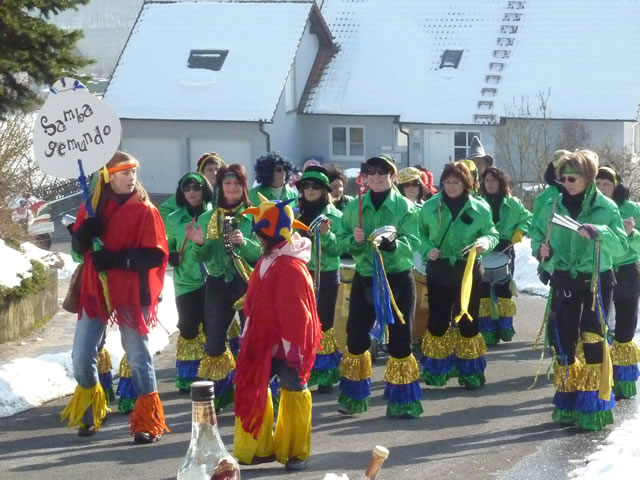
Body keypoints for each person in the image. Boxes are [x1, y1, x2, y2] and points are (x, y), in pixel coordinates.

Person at [61, 151, 169, 444]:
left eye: (133, 172)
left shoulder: (145, 210)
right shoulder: (92, 206)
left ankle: (148, 421)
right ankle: (93, 410)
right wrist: (84, 234)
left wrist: (117, 259)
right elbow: (79, 250)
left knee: (138, 355)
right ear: (109, 177)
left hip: (132, 289)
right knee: (81, 355)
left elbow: (155, 256)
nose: (131, 178)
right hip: (95, 287)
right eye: (124, 173)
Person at [531, 150, 627, 430]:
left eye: (572, 178)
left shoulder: (606, 207)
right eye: (563, 178)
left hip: (596, 279)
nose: (567, 183)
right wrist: (542, 251)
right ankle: (568, 399)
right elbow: (537, 235)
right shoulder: (553, 205)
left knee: (593, 338)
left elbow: (621, 246)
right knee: (563, 339)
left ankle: (593, 407)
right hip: (564, 278)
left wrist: (599, 232)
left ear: (588, 177)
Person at [233, 195, 321, 471]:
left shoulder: (290, 266)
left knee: (293, 390)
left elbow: (298, 316)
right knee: (255, 387)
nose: (257, 238)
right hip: (263, 341)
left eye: (260, 233)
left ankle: (296, 451)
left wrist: (293, 350)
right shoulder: (269, 258)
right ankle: (260, 447)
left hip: (287, 347)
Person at [336, 154, 423, 418]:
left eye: (382, 172)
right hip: (365, 276)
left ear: (392, 176)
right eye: (371, 172)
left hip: (397, 278)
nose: (376, 177)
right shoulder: (355, 207)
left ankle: (402, 402)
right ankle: (354, 398)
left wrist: (395, 245)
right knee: (356, 337)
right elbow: (339, 239)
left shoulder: (405, 207)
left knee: (400, 340)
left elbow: (414, 241)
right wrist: (353, 240)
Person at [185, 164, 261, 411]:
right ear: (220, 186)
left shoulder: (255, 215)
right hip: (218, 282)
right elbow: (201, 256)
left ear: (244, 186)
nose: (232, 187)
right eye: (227, 183)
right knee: (214, 342)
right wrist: (199, 243)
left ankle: (254, 397)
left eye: (237, 183)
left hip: (248, 282)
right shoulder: (207, 218)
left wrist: (245, 243)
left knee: (252, 341)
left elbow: (263, 252)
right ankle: (218, 396)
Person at [419, 162, 498, 389]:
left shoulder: (480, 208)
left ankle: (470, 373)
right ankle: (437, 371)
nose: (451, 186)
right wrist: (427, 249)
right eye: (447, 182)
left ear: (466, 184)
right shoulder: (430, 207)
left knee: (468, 321)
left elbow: (492, 233)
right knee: (437, 321)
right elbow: (419, 233)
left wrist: (484, 243)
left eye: (456, 182)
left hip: (468, 270)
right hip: (439, 270)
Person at [296, 165, 344, 393]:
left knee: (324, 324)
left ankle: (324, 375)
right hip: (301, 274)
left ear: (325, 190)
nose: (311, 190)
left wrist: (327, 234)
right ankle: (302, 371)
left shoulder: (335, 216)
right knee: (301, 324)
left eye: (316, 186)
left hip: (326, 275)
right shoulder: (295, 215)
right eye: (306, 186)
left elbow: (339, 249)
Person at [166, 172, 214, 392]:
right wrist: (171, 255)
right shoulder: (173, 218)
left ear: (204, 190)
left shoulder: (214, 215)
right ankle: (188, 376)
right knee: (187, 328)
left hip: (212, 281)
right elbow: (167, 246)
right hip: (185, 282)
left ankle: (213, 373)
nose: (192, 192)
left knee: (212, 328)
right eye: (187, 188)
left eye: (196, 188)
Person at [595, 166, 640, 399]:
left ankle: (623, 381)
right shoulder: (592, 209)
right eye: (598, 184)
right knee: (597, 327)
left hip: (627, 272)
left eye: (607, 184)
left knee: (625, 327)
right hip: (600, 271)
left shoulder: (632, 209)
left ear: (616, 185)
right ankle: (599, 379)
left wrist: (631, 234)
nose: (602, 188)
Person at [477, 167, 532, 345]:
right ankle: (487, 330)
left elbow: (528, 218)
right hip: (483, 251)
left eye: (493, 180)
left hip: (505, 249)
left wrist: (519, 231)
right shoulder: (477, 203)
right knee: (483, 292)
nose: (490, 184)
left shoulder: (513, 203)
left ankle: (505, 326)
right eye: (487, 180)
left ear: (501, 182)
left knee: (504, 291)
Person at [532, 151, 568, 284]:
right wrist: (542, 253)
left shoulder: (583, 194)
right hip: (554, 262)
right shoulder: (543, 198)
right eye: (559, 167)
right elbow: (536, 231)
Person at [159, 152, 225, 222]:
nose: (214, 173)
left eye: (217, 169)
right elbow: (164, 210)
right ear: (202, 173)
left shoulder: (226, 191)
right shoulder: (192, 189)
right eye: (210, 170)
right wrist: (178, 225)